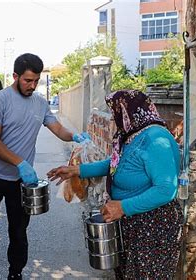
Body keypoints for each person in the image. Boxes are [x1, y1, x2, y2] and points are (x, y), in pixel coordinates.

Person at [0, 53, 90, 280]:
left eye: (36, 81)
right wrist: (20, 163)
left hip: (19, 182)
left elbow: (57, 129)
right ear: (15, 76)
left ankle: (15, 273)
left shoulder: (40, 103)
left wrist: (75, 135)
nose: (32, 85)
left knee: (18, 232)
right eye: (27, 80)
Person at [47, 89, 184, 279]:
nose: (113, 119)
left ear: (130, 111)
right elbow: (114, 164)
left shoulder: (155, 139)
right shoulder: (132, 134)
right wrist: (77, 170)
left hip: (152, 227)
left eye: (116, 113)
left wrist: (122, 207)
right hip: (131, 223)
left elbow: (166, 189)